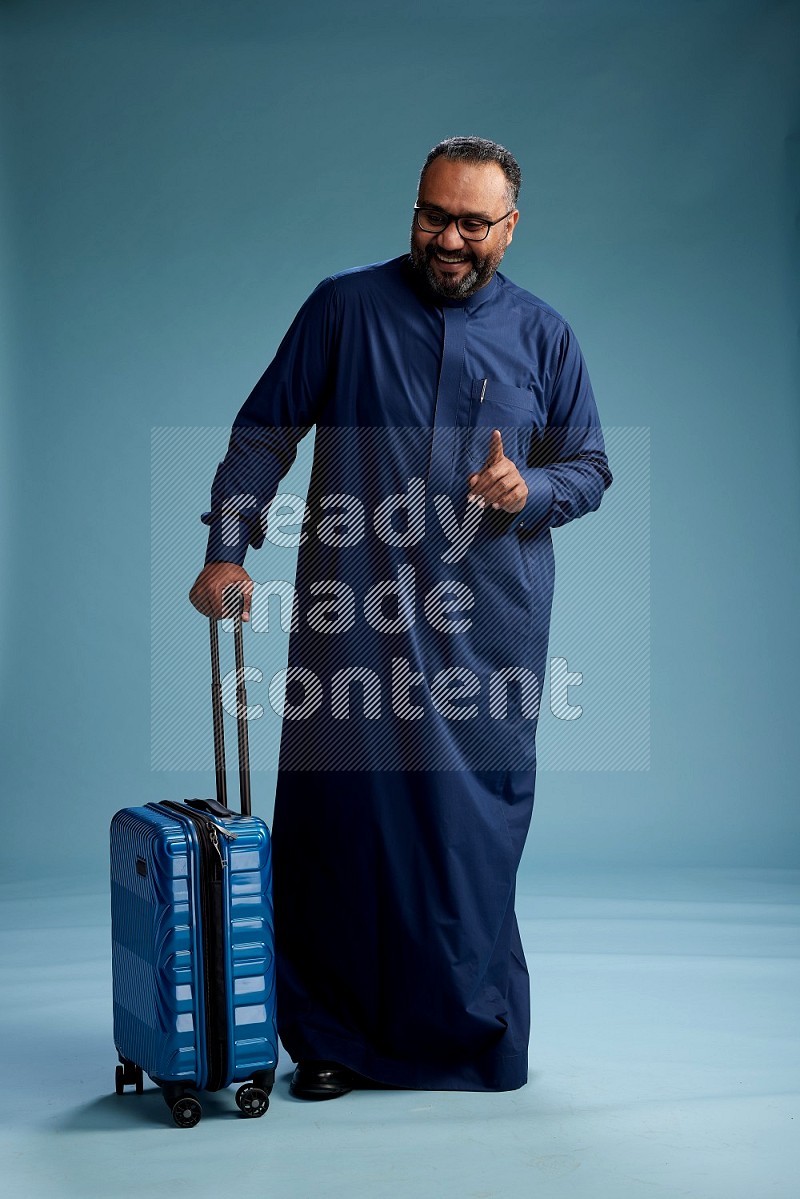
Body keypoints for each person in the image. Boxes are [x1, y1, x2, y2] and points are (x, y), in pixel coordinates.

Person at [189, 136, 612, 1099]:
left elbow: (589, 468)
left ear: (511, 227)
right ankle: (331, 1038)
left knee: (466, 835)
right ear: (413, 210)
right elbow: (265, 428)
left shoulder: (546, 336)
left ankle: (473, 1038)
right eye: (433, 215)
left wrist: (529, 486)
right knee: (342, 831)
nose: (449, 239)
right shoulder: (345, 307)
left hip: (487, 629)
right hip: (355, 614)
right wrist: (226, 547)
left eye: (473, 222)